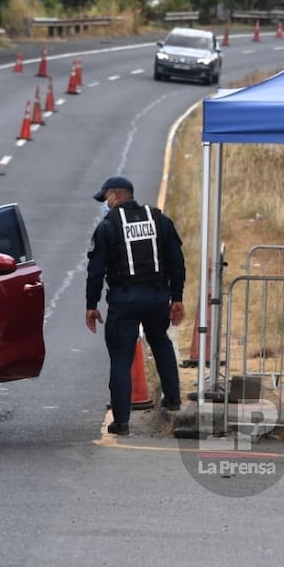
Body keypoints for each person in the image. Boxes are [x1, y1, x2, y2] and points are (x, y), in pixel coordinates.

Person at [85, 175, 186, 436]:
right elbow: (177, 261)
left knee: (121, 357)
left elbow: (96, 270)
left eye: (106, 198)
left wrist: (91, 304)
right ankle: (173, 398)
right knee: (160, 341)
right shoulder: (159, 220)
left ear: (117, 195)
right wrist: (177, 297)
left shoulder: (108, 226)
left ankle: (121, 421)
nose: (105, 203)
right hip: (157, 297)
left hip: (124, 300)